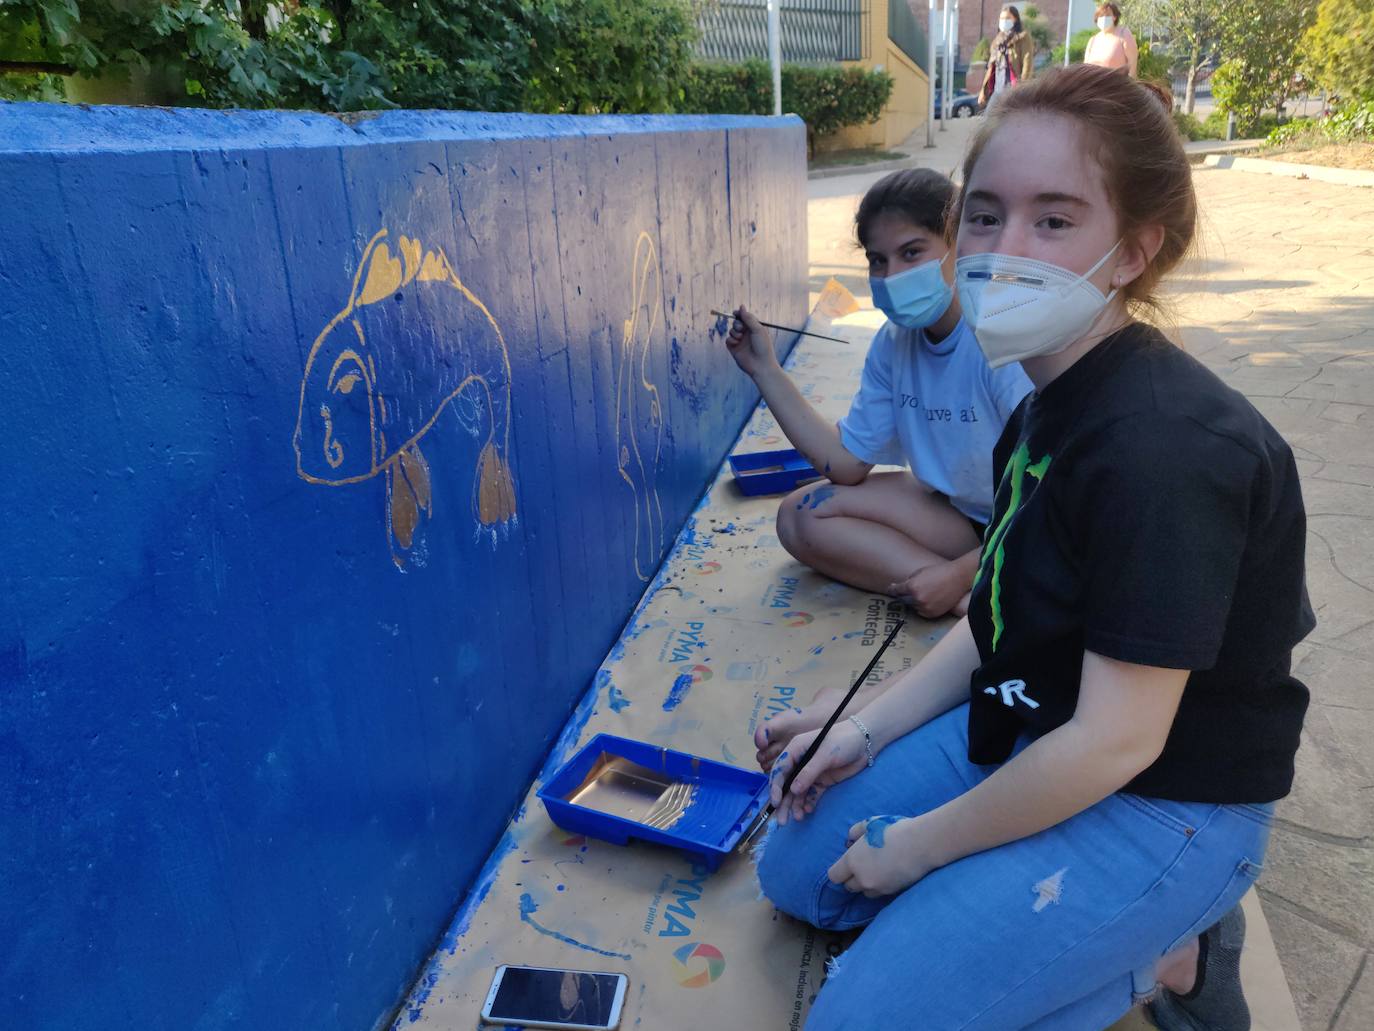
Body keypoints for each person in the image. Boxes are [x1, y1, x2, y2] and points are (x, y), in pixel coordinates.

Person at [753, 63, 1314, 1031]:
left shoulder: (1167, 451)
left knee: (856, 1016)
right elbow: (994, 610)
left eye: (1054, 221)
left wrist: (923, 845)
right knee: (798, 869)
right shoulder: (1045, 405)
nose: (1004, 250)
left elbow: (1120, 737)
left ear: (1135, 251)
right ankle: (1057, 926)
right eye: (985, 214)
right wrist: (864, 728)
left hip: (1163, 797)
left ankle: (1171, 951)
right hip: (1041, 723)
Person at [724, 169, 1031, 619]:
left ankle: (962, 586)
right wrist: (764, 370)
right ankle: (969, 600)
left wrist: (960, 571)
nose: (891, 276)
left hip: (1026, 524)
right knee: (800, 515)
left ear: (958, 243)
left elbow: (1051, 492)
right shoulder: (893, 342)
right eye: (877, 260)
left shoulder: (1001, 338)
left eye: (911, 252)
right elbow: (846, 465)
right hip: (959, 517)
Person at [978, 6, 1035, 110]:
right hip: (997, 88)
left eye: (1008, 18)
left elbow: (1027, 62)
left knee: (1010, 120)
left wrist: (1022, 87)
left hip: (1013, 88)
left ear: (1015, 19)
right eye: (1002, 18)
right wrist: (983, 91)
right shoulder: (997, 40)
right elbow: (991, 67)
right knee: (988, 119)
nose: (1004, 21)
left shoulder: (1023, 37)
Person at [1085, 2, 1139, 77]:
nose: (1103, 18)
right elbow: (1086, 68)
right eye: (1100, 16)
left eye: (1107, 15)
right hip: (1094, 86)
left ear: (1114, 17)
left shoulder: (1124, 34)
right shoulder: (1093, 40)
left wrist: (1129, 84)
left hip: (1117, 86)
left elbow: (1132, 63)